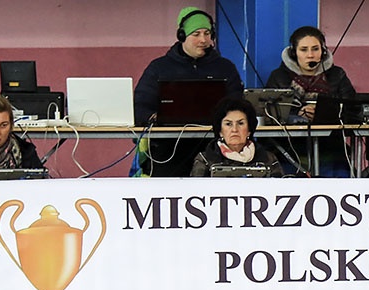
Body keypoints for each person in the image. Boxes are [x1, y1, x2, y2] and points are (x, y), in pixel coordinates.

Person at [133, 7, 244, 176]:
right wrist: (152, 117)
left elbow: (238, 104)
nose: (203, 40)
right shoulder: (159, 68)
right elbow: (140, 105)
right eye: (196, 34)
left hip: (215, 147)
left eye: (207, 33)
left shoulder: (225, 68)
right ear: (182, 36)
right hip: (168, 150)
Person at [265, 26, 355, 176]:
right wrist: (297, 115)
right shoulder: (278, 77)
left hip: (332, 148)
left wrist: (323, 114)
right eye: (304, 50)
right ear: (294, 53)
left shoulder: (337, 75)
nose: (310, 55)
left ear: (323, 51)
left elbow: (351, 108)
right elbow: (270, 114)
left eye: (315, 49)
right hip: (288, 150)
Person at [191, 97, 283, 177]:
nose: (234, 129)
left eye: (240, 123)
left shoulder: (269, 159)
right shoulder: (205, 160)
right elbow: (196, 191)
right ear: (220, 131)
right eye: (228, 124)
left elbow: (279, 191)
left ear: (249, 130)